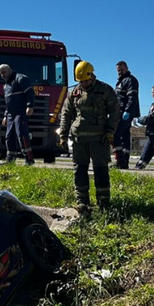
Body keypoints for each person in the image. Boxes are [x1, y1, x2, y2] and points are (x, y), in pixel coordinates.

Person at [58, 61, 120, 214]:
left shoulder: (105, 90)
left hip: (99, 140)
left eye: (86, 81)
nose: (83, 84)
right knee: (79, 170)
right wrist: (63, 135)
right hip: (79, 140)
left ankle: (104, 204)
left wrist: (110, 131)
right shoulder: (74, 93)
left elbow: (115, 111)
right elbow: (66, 114)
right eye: (81, 81)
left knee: (101, 171)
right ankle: (82, 203)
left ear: (92, 76)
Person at [0, 63, 35, 165]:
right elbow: (8, 103)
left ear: (9, 70)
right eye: (0, 74)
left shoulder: (21, 79)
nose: (2, 75)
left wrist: (30, 106)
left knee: (21, 135)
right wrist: (5, 116)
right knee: (9, 136)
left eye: (4, 72)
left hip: (21, 112)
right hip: (10, 114)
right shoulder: (6, 86)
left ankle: (29, 159)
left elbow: (30, 93)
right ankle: (10, 159)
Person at [113, 61, 140, 169]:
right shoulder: (120, 82)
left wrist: (127, 111)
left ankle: (120, 160)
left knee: (115, 134)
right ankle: (124, 161)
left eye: (122, 70)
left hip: (125, 112)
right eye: (118, 70)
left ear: (127, 68)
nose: (120, 72)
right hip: (120, 111)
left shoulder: (130, 80)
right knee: (124, 136)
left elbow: (132, 97)